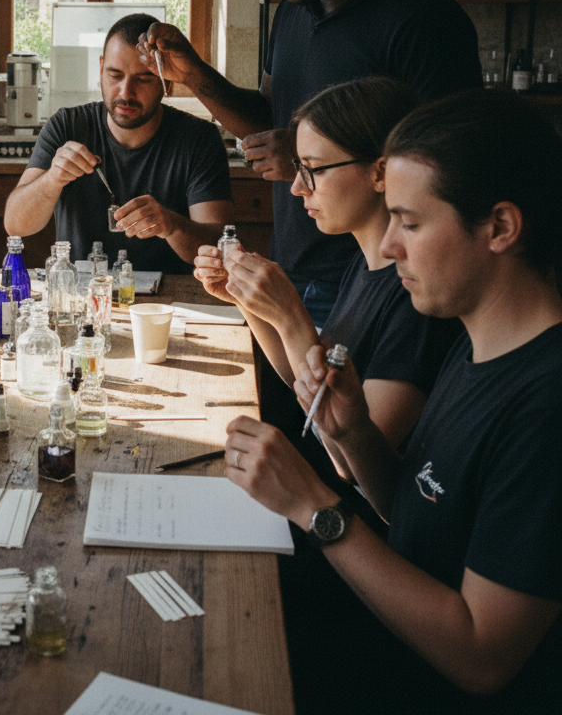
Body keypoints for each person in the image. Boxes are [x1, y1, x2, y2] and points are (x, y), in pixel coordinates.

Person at [224, 89, 562, 713]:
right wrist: (354, 434)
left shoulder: (544, 406)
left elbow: (482, 657)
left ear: (500, 227)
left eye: (409, 222)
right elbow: (415, 513)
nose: (386, 247)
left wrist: (317, 507)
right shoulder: (473, 347)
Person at [141, 0, 481, 321]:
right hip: (296, 268)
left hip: (384, 280)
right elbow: (268, 118)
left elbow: (448, 168)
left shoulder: (423, 20)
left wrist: (303, 159)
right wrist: (194, 74)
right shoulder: (292, 13)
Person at [193, 77, 461, 477]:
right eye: (299, 168)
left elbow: (350, 462)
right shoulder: (363, 264)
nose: (298, 187)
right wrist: (248, 301)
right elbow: (299, 377)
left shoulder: (417, 297)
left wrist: (288, 314)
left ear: (380, 172)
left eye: (314, 169)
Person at [4, 13, 233, 274]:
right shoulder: (66, 126)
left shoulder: (199, 139)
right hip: (82, 296)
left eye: (144, 79)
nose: (125, 93)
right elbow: (15, 225)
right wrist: (52, 179)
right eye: (114, 75)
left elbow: (218, 251)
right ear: (100, 69)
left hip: (169, 304)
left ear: (166, 79)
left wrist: (172, 225)